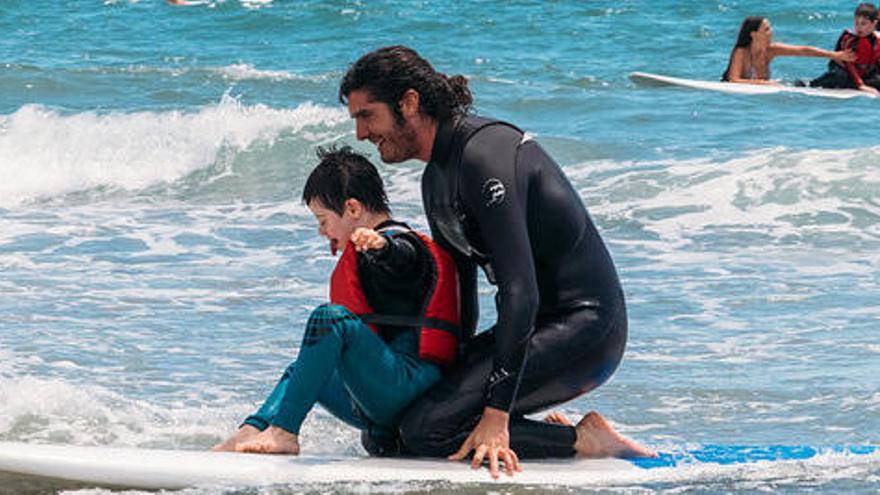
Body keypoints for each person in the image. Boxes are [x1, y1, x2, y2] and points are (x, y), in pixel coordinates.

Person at [339, 46, 656, 479]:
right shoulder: (436, 178)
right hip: (531, 331)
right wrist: (443, 373)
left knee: (427, 431)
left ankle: (584, 440)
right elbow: (457, 291)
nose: (361, 134)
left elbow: (520, 289)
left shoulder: (484, 155)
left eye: (366, 115)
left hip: (586, 327)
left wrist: (496, 413)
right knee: (388, 435)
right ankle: (540, 428)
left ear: (408, 103)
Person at [212, 146, 461, 455]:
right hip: (378, 393)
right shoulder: (365, 251)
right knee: (304, 367)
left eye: (323, 220)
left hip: (408, 385)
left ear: (353, 209)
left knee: (329, 319)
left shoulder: (399, 242)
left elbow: (405, 261)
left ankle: (285, 432)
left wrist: (382, 247)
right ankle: (250, 431)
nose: (322, 231)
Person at [722, 16, 855, 84]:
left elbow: (804, 51)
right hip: (734, 97)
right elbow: (734, 80)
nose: (771, 32)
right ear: (753, 34)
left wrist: (834, 55)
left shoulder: (771, 50)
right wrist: (765, 84)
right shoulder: (741, 51)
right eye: (766, 29)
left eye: (770, 28)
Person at [809, 3, 880, 95]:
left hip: (863, 71)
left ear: (874, 24)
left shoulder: (876, 39)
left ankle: (854, 84)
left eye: (863, 24)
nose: (859, 27)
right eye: (856, 23)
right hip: (844, 68)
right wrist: (860, 85)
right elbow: (848, 64)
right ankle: (807, 84)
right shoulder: (850, 38)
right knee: (839, 77)